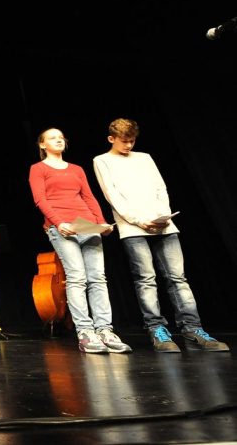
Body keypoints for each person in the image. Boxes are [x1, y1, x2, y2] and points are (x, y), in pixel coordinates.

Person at [93, 118, 229, 352]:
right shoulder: (102, 161)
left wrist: (163, 215)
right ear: (111, 139)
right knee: (146, 279)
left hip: (163, 225)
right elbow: (112, 195)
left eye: (132, 141)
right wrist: (139, 220)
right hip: (133, 227)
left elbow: (160, 187)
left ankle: (192, 328)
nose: (128, 146)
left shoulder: (144, 158)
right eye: (124, 141)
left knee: (178, 278)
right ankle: (157, 329)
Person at [28, 128, 131, 354]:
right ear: (43, 145)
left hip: (87, 224)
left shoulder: (76, 169)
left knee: (98, 278)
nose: (59, 140)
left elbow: (88, 197)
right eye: (52, 138)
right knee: (76, 277)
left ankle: (104, 329)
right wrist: (57, 222)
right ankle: (85, 331)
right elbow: (40, 199)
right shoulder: (38, 168)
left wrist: (101, 223)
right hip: (62, 226)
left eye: (61, 137)